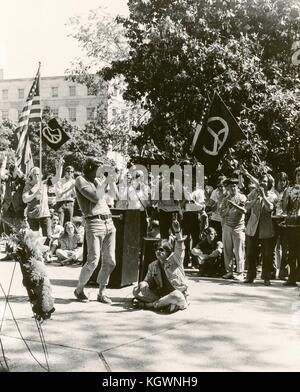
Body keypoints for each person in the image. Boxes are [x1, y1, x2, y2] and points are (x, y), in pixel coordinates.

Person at [73, 157, 116, 304]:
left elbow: (111, 194)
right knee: (93, 261)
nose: (101, 171)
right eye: (99, 167)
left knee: (110, 261)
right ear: (91, 167)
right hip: (94, 222)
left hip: (108, 221)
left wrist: (110, 179)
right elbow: (95, 197)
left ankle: (101, 292)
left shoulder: (96, 181)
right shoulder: (80, 180)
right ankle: (79, 289)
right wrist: (107, 180)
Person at [132, 219, 188, 313]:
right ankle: (167, 305)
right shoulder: (152, 265)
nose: (158, 252)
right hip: (161, 295)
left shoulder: (175, 260)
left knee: (176, 296)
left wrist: (177, 232)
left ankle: (150, 305)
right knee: (140, 288)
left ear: (168, 252)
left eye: (161, 250)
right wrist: (141, 285)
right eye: (156, 249)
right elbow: (147, 281)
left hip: (177, 294)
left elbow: (180, 247)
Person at [244, 174, 277, 286]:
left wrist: (263, 196)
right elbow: (246, 206)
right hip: (253, 228)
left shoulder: (273, 195)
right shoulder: (253, 192)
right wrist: (254, 200)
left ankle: (266, 277)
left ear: (269, 184)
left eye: (265, 181)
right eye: (261, 181)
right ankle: (250, 275)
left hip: (266, 229)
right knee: (250, 253)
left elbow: (270, 208)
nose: (263, 183)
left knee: (267, 254)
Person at [219, 178, 247, 280]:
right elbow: (221, 214)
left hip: (239, 227)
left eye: (234, 186)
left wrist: (234, 205)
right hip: (227, 226)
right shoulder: (225, 199)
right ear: (227, 188)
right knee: (227, 250)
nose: (232, 188)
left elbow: (244, 211)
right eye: (230, 186)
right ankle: (229, 271)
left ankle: (240, 272)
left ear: (237, 187)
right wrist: (229, 208)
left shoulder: (242, 197)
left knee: (239, 251)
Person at [22, 167, 51, 244]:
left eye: (38, 174)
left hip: (45, 214)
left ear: (41, 175)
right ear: (31, 175)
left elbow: (57, 178)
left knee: (48, 236)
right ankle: (36, 255)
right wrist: (35, 194)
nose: (37, 176)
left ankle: (46, 254)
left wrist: (59, 167)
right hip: (33, 215)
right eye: (35, 174)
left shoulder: (44, 184)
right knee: (34, 238)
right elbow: (25, 199)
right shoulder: (28, 186)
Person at [282, 167, 300, 287]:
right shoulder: (290, 189)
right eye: (298, 174)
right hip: (291, 223)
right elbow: (284, 208)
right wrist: (285, 195)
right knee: (292, 252)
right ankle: (292, 277)